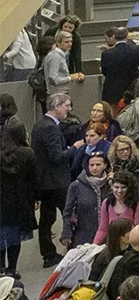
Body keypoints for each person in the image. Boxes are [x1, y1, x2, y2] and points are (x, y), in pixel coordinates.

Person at [31, 91, 80, 267]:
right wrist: (74, 148)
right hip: (56, 182)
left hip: (46, 181)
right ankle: (75, 248)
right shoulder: (50, 127)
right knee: (69, 213)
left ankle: (48, 254)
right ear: (57, 105)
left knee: (47, 218)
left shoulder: (39, 125)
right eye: (66, 105)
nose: (69, 109)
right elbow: (57, 156)